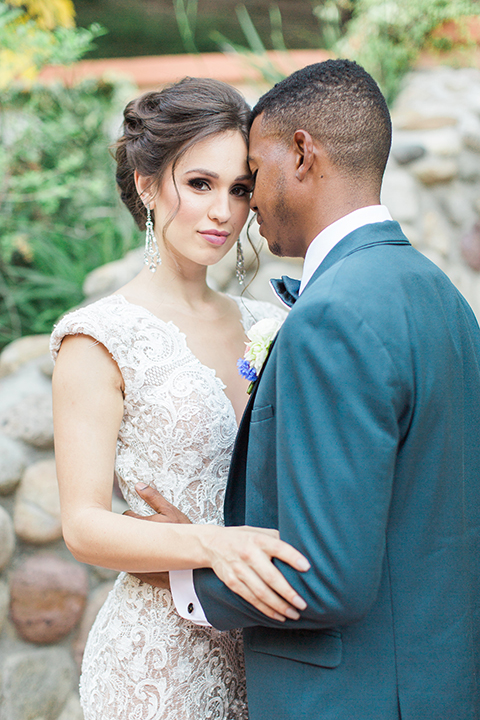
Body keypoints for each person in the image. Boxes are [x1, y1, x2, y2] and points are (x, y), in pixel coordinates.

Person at [138, 60, 479, 719]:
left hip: (354, 698)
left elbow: (326, 578)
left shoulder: (330, 314)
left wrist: (181, 569)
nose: (248, 203)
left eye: (254, 176)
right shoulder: (441, 295)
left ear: (302, 154)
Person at [50, 77, 310, 720]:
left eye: (239, 188)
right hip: (157, 665)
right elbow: (83, 526)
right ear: (146, 184)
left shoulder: (269, 324)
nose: (223, 211)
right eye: (200, 184)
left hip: (270, 649)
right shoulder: (100, 336)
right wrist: (210, 545)